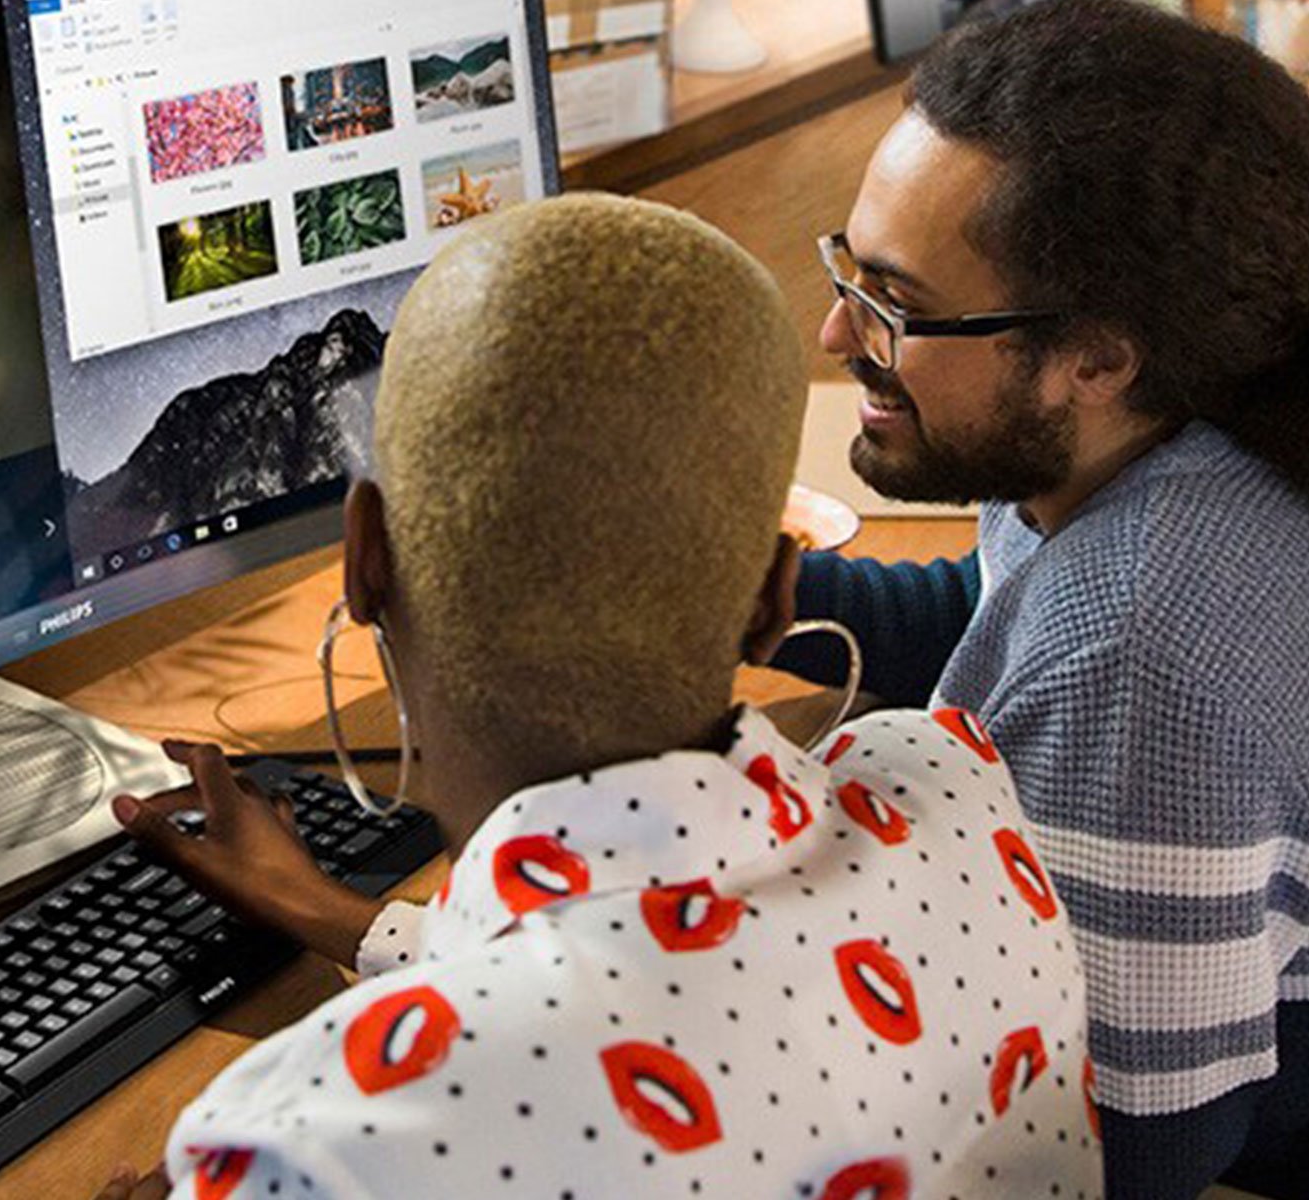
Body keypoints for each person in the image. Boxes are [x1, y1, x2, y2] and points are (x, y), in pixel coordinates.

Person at [93, 194, 1102, 1199]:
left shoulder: (322, 1142)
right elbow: (646, 988)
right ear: (774, 599)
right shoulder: (953, 792)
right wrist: (334, 913)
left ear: (363, 558)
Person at [776, 0, 1309, 1199]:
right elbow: (994, 618)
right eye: (848, 268)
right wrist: (761, 599)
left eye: (897, 306)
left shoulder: (1138, 644)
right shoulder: (1176, 426)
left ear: (1093, 355)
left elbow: (1127, 1149)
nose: (835, 330)